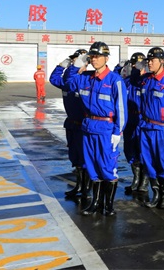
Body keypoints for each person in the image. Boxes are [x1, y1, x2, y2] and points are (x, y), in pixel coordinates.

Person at [65, 41, 127, 216]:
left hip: (106, 128)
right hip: (88, 126)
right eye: (92, 56)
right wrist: (77, 65)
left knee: (107, 166)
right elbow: (68, 83)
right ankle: (96, 202)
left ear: (106, 58)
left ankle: (108, 205)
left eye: (98, 56)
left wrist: (118, 131)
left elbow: (121, 108)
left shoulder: (115, 80)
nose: (94, 59)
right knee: (92, 166)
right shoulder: (85, 78)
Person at [135, 47, 164, 209]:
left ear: (162, 62)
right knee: (148, 162)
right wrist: (138, 67)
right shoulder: (146, 79)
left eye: (152, 60)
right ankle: (156, 194)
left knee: (163, 161)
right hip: (146, 127)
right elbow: (132, 80)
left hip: (161, 129)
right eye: (148, 60)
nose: (149, 63)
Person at [49, 49, 89, 199]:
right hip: (71, 124)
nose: (73, 63)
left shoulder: (86, 79)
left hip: (83, 125)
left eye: (77, 61)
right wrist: (62, 65)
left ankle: (86, 188)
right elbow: (54, 79)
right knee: (75, 157)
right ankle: (79, 185)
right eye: (72, 61)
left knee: (85, 157)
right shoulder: (67, 80)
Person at [122, 52, 149, 195]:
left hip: (142, 120)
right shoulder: (126, 83)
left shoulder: (146, 82)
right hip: (129, 120)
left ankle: (144, 181)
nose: (136, 68)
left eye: (140, 65)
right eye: (134, 65)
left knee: (143, 151)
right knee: (130, 150)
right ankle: (136, 178)